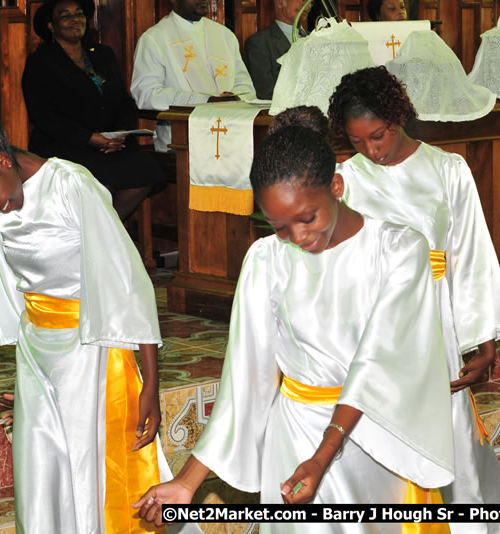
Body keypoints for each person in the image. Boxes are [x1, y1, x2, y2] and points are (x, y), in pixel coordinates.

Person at [133, 124, 455, 532]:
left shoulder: (398, 250)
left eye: (307, 217)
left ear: (336, 186)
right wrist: (186, 482)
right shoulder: (267, 259)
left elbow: (376, 364)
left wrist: (324, 454)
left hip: (374, 436)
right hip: (296, 434)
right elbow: (245, 382)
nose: (297, 236)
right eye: (279, 225)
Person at [0, 91, 199, 533]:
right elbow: (23, 296)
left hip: (94, 352)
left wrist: (151, 384)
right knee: (43, 478)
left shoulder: (70, 185)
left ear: (2, 161)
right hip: (39, 360)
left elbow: (127, 282)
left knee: (95, 476)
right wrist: (26, 381)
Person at [327, 67, 500, 533]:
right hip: (370, 324)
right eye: (357, 142)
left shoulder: (446, 169)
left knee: (444, 426)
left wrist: (482, 337)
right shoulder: (343, 179)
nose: (371, 150)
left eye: (377, 135)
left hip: (435, 319)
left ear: (397, 116)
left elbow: (469, 253)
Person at [22, 0, 166, 221]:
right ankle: (105, 234)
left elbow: (124, 102)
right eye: (65, 16)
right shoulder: (40, 62)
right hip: (66, 146)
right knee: (99, 180)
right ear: (51, 26)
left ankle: (105, 231)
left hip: (109, 144)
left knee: (147, 170)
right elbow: (44, 117)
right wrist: (89, 138)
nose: (74, 20)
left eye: (78, 14)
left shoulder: (102, 54)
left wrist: (120, 134)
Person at [130, 0, 256, 151]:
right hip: (181, 142)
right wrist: (204, 101)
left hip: (231, 136)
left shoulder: (224, 35)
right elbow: (146, 94)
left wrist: (235, 98)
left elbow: (244, 84)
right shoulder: (154, 38)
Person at [242, 0, 307, 100]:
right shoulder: (258, 43)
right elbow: (266, 93)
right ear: (280, 2)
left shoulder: (317, 38)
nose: (305, 2)